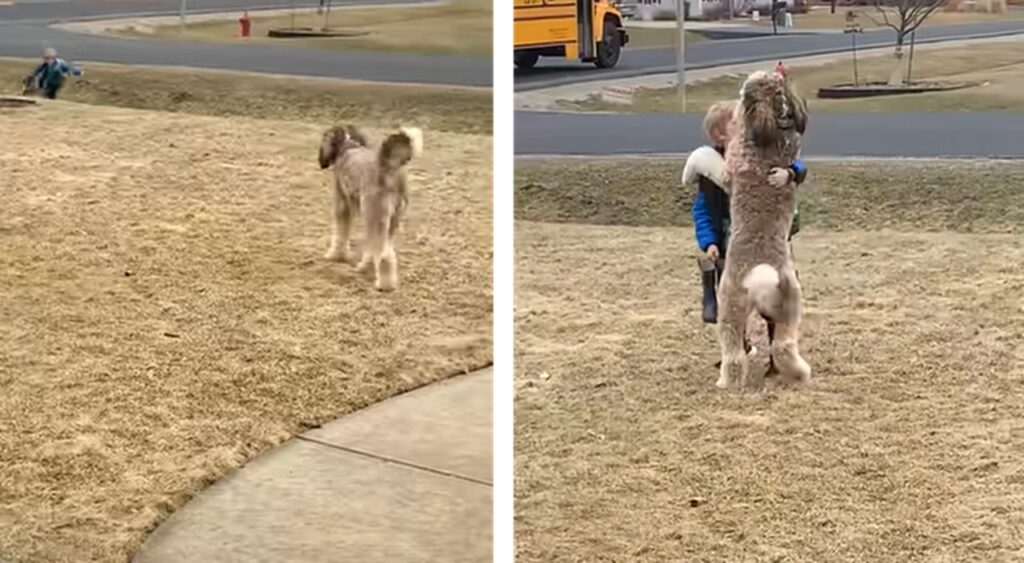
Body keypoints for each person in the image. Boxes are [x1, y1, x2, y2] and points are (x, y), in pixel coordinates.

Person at [681, 100, 808, 324]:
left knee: (771, 295)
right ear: (719, 135)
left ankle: (776, 346)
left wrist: (789, 173)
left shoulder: (761, 153)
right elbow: (703, 209)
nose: (745, 125)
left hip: (766, 236)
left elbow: (798, 164)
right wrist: (709, 241)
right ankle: (733, 339)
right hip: (730, 241)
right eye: (736, 122)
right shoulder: (710, 166)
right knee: (733, 299)